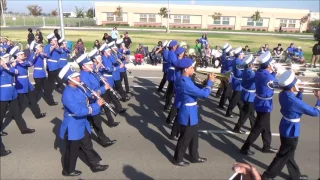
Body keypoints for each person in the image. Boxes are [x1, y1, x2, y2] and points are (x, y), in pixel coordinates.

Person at [261, 71, 320, 180]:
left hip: (285, 126)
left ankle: (295, 176)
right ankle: (267, 176)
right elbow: (315, 112)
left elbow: (296, 104)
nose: (299, 84)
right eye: (296, 83)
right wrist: (319, 99)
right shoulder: (292, 100)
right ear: (292, 86)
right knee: (283, 155)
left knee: (289, 154)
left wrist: (300, 93)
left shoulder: (284, 94)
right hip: (291, 130)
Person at [58, 64, 109, 176]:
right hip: (73, 126)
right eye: (76, 77)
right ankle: (68, 170)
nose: (79, 78)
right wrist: (96, 106)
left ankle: (95, 165)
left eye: (78, 76)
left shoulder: (79, 88)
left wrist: (99, 93)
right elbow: (78, 111)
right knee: (72, 150)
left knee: (87, 145)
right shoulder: (67, 94)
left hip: (82, 123)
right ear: (69, 80)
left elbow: (90, 95)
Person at [172, 57, 216, 167]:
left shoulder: (185, 79)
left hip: (191, 111)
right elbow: (204, 95)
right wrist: (209, 82)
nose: (193, 69)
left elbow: (195, 88)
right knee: (185, 139)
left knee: (194, 137)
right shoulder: (185, 82)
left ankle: (194, 156)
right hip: (188, 113)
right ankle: (178, 159)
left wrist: (205, 82)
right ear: (186, 69)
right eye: (191, 67)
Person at [240, 51, 278, 156]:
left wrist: (273, 72)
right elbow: (277, 84)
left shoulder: (259, 72)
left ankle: (267, 145)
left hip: (261, 102)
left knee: (266, 126)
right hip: (264, 105)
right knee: (257, 128)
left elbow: (271, 80)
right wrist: (275, 72)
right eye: (272, 63)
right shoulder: (268, 77)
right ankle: (245, 147)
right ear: (269, 65)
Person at [76, 53, 117, 147]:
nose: (92, 65)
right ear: (83, 67)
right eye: (89, 64)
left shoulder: (90, 72)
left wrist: (101, 79)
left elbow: (95, 82)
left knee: (89, 123)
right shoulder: (83, 76)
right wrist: (103, 89)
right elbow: (89, 93)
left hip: (96, 102)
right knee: (97, 123)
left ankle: (80, 142)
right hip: (91, 104)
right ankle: (104, 141)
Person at [0, 54, 35, 136]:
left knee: (17, 112)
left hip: (13, 93)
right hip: (3, 94)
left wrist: (7, 67)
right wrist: (2, 66)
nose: (8, 59)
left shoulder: (9, 66)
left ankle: (24, 129)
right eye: (5, 57)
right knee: (1, 114)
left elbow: (16, 71)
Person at [10, 46, 46, 119]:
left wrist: (35, 55)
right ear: (17, 56)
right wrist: (14, 63)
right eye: (21, 54)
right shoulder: (14, 63)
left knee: (33, 100)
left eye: (23, 54)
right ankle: (15, 115)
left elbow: (30, 64)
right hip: (20, 84)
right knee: (20, 102)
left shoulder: (24, 61)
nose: (23, 55)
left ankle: (38, 114)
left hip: (27, 83)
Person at [98, 44, 127, 117]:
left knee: (112, 95)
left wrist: (120, 59)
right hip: (106, 79)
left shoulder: (108, 57)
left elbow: (114, 61)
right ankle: (101, 109)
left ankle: (119, 108)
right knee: (105, 96)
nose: (110, 51)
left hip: (110, 79)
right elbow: (108, 69)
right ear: (105, 52)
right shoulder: (103, 59)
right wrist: (118, 67)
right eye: (108, 51)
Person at [233, 54, 256, 134]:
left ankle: (253, 126)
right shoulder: (250, 73)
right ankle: (237, 127)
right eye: (252, 64)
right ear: (250, 65)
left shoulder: (246, 71)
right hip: (249, 96)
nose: (253, 65)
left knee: (251, 112)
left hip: (246, 94)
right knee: (245, 114)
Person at [166, 47, 185, 141]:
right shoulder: (180, 63)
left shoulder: (179, 61)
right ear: (181, 53)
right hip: (180, 88)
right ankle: (174, 133)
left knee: (176, 106)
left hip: (178, 87)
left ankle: (170, 120)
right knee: (178, 108)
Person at [44, 33, 65, 97]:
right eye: (55, 40)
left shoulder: (57, 46)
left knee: (51, 82)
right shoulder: (47, 46)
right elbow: (46, 54)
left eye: (56, 40)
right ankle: (66, 92)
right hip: (52, 66)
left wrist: (56, 47)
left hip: (57, 66)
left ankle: (47, 93)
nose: (56, 42)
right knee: (59, 80)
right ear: (51, 41)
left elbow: (61, 51)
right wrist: (52, 47)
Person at [226, 47, 244, 118]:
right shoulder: (238, 62)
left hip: (237, 82)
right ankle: (229, 112)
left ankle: (242, 112)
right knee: (235, 99)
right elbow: (239, 74)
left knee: (239, 99)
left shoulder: (237, 60)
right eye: (242, 54)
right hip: (238, 82)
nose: (243, 55)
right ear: (239, 55)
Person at [164, 40, 179, 110]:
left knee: (170, 90)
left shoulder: (172, 52)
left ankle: (167, 103)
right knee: (171, 91)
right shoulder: (172, 53)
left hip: (171, 73)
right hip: (172, 73)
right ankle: (168, 104)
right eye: (176, 46)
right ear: (173, 46)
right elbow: (175, 63)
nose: (177, 47)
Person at [218, 44, 233, 108]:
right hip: (227, 75)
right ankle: (230, 105)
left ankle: (223, 104)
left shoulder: (225, 56)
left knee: (226, 90)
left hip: (224, 73)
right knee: (227, 91)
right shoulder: (229, 59)